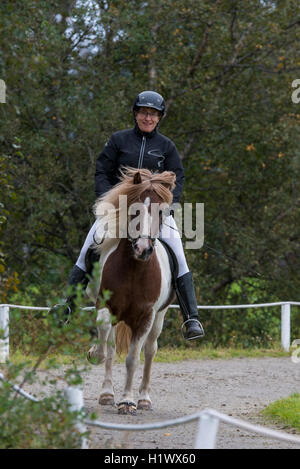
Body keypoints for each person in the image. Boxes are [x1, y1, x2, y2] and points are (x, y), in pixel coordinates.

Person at [52, 90, 204, 340]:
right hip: (120, 210)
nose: (148, 118)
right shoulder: (118, 141)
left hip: (155, 212)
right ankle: (68, 305)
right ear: (136, 114)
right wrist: (107, 202)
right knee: (88, 247)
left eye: (153, 114)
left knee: (179, 255)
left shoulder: (167, 147)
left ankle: (191, 319)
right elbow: (102, 171)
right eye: (144, 112)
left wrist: (168, 206)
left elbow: (179, 178)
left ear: (159, 118)